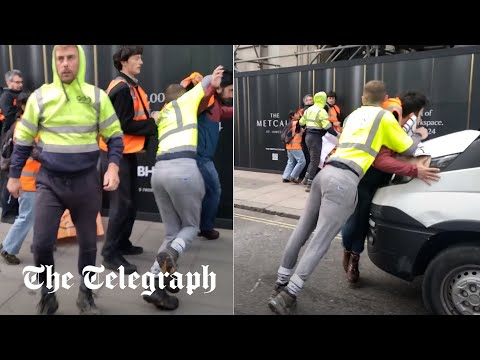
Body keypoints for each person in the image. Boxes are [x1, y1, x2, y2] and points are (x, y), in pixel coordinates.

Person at [268, 80, 429, 315]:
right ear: (384, 98)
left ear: (363, 98)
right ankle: (289, 294)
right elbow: (407, 149)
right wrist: (418, 134)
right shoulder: (385, 117)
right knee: (320, 241)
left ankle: (280, 283)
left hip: (325, 173)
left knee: (302, 231)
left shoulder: (353, 114)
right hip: (345, 181)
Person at [7, 45, 124, 315]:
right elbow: (23, 141)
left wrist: (114, 167)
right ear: (54, 62)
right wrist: (14, 176)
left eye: (71, 57)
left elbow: (115, 135)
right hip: (50, 182)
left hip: (86, 183)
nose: (65, 64)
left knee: (88, 246)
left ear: (80, 60)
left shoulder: (96, 97)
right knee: (41, 245)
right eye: (60, 59)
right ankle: (48, 295)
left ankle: (86, 295)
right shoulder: (40, 97)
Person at [142, 66, 224, 311]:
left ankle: (154, 287)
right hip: (184, 170)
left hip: (158, 173)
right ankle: (172, 257)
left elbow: (153, 116)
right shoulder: (187, 101)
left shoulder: (162, 114)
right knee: (190, 227)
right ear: (182, 95)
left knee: (170, 234)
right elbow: (208, 80)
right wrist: (215, 78)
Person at [341, 90, 440, 283]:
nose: (420, 118)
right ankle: (351, 255)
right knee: (356, 221)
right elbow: (381, 161)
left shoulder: (398, 124)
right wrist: (415, 171)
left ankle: (353, 254)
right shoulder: (389, 122)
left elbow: (402, 149)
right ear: (413, 114)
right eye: (421, 113)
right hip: (364, 181)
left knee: (367, 222)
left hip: (381, 182)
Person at [99, 45, 159, 274]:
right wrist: (153, 123)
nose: (141, 62)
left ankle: (122, 243)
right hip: (117, 156)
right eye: (137, 58)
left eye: (141, 58)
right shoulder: (122, 88)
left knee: (130, 204)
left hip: (127, 153)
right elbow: (123, 125)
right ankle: (109, 254)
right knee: (121, 205)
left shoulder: (130, 86)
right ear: (124, 62)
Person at [0, 92, 37, 264]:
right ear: (23, 106)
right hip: (28, 181)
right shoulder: (24, 128)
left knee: (35, 214)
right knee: (26, 216)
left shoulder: (26, 124)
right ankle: (8, 248)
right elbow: (34, 152)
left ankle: (39, 244)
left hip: (33, 180)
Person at [196, 69, 233, 240]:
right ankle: (205, 227)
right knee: (214, 190)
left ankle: (198, 226)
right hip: (200, 157)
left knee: (204, 192)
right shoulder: (208, 100)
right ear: (219, 88)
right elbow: (201, 104)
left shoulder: (217, 105)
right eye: (231, 90)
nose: (232, 94)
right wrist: (211, 86)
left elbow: (224, 112)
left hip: (203, 157)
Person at [300, 91, 338, 191]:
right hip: (316, 137)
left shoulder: (309, 110)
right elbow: (327, 126)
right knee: (315, 160)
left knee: (313, 159)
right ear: (323, 99)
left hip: (308, 136)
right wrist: (337, 135)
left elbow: (301, 122)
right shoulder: (321, 111)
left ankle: (306, 179)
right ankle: (310, 184)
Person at [0, 70, 24, 223]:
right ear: (9, 83)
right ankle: (7, 212)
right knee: (10, 175)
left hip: (17, 138)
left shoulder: (18, 96)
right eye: (16, 82)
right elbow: (9, 117)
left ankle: (15, 209)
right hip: (9, 140)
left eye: (21, 82)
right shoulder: (7, 96)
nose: (19, 84)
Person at [282, 110, 305, 183]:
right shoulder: (296, 123)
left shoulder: (289, 124)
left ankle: (285, 177)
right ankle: (293, 176)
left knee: (291, 161)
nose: (298, 115)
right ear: (293, 116)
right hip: (295, 146)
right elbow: (299, 132)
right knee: (302, 161)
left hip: (289, 146)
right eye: (296, 114)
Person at [298, 94, 314, 181]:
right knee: (308, 157)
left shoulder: (313, 110)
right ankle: (304, 176)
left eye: (311, 99)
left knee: (308, 157)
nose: (310, 101)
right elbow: (301, 123)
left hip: (307, 136)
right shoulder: (303, 111)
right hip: (306, 136)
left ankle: (303, 176)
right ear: (304, 102)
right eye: (308, 100)